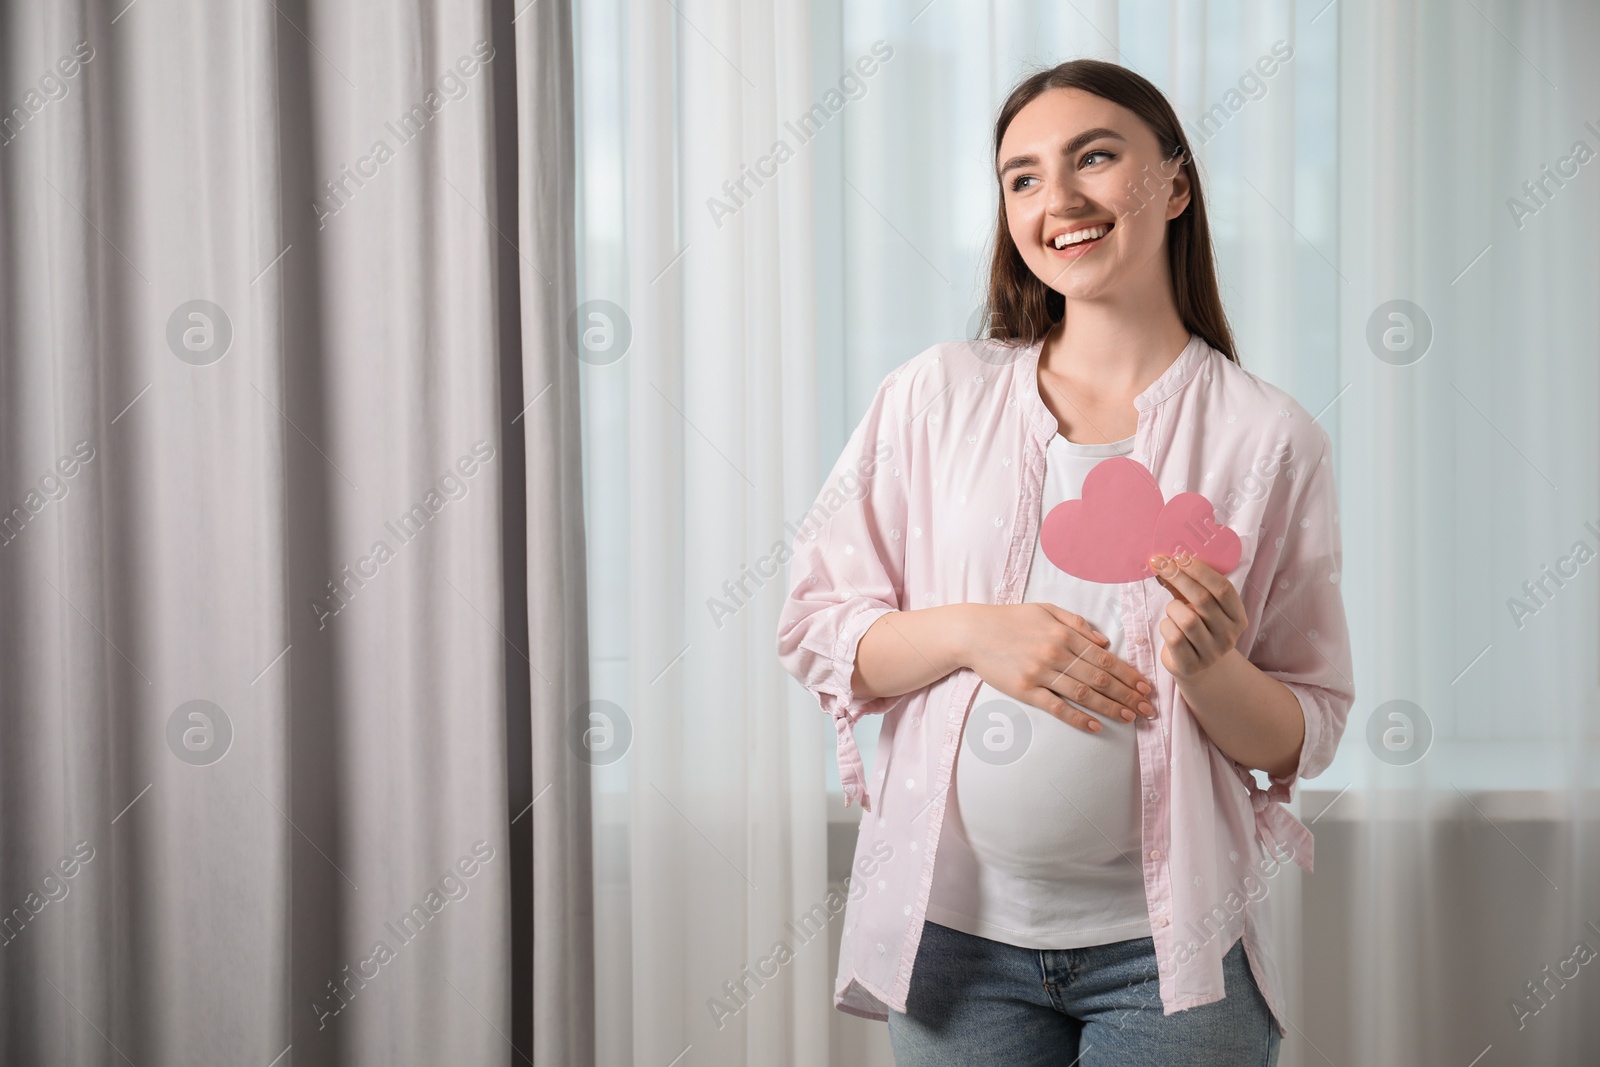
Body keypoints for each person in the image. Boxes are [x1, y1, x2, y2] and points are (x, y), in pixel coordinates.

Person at [775, 58, 1354, 1065]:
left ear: (1173, 185)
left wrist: (1213, 669)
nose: (1060, 199)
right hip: (954, 951)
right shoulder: (931, 397)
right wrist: (970, 632)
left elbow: (1309, 725)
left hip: (1171, 965)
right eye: (1023, 177)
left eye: (1094, 157)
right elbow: (817, 625)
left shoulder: (1269, 438)